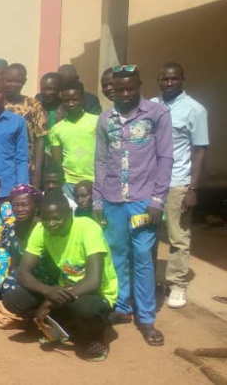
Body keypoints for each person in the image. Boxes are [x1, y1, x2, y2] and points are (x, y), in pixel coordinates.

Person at [93, 65, 172, 347]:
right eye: (119, 89)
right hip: (113, 199)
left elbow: (165, 158)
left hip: (143, 200)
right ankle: (123, 307)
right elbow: (100, 162)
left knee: (141, 256)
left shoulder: (156, 114)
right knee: (116, 255)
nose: (125, 94)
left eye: (131, 88)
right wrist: (97, 199)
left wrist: (157, 200)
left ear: (139, 86)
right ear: (112, 88)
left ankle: (147, 317)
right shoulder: (106, 119)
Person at [2, 192, 118, 362]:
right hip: (62, 290)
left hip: (96, 293)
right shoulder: (41, 229)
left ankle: (95, 335)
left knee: (85, 309)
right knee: (13, 298)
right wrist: (47, 290)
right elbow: (23, 272)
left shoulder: (88, 227)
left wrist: (49, 302)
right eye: (46, 219)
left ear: (70, 214)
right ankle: (63, 326)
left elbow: (93, 282)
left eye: (57, 218)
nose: (51, 224)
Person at [151, 62, 209, 309]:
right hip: (151, 182)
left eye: (174, 79)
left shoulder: (195, 110)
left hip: (178, 182)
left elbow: (199, 150)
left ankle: (177, 285)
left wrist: (193, 188)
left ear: (183, 79)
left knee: (177, 236)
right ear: (159, 80)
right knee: (147, 234)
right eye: (165, 79)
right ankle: (150, 280)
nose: (169, 83)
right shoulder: (151, 105)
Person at [51, 81, 98, 200]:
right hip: (69, 183)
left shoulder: (96, 122)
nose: (71, 103)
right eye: (66, 100)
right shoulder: (57, 128)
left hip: (94, 180)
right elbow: (57, 161)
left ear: (82, 99)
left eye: (75, 99)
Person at [4, 63, 48, 188]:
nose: (13, 85)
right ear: (3, 80)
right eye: (9, 81)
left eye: (18, 81)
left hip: (27, 169)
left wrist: (38, 173)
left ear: (24, 81)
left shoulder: (33, 105)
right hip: (2, 167)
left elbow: (40, 140)